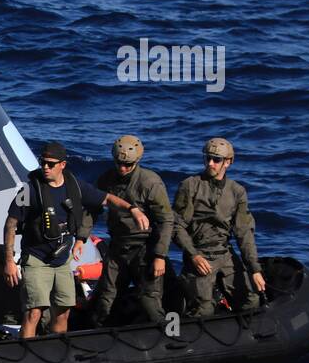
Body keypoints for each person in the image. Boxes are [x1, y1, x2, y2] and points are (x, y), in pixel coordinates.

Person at [3, 141, 147, 338]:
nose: (45, 167)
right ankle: (26, 350)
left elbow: (107, 199)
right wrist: (9, 260)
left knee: (63, 312)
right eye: (43, 162)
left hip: (62, 261)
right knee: (33, 313)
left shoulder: (75, 186)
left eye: (51, 164)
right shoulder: (30, 191)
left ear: (62, 165)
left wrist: (133, 209)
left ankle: (55, 350)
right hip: (37, 260)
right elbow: (11, 223)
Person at [172, 137, 266, 317]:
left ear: (228, 162)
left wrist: (255, 270)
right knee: (204, 311)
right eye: (207, 158)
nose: (210, 163)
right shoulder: (190, 186)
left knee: (251, 301)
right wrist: (194, 256)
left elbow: (244, 233)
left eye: (216, 160)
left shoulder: (237, 191)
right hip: (200, 255)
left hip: (225, 253)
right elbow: (177, 226)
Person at [91, 135, 174, 325]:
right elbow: (92, 209)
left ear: (136, 162)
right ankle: (102, 339)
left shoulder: (150, 183)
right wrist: (81, 236)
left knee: (149, 300)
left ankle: (170, 337)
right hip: (118, 247)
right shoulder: (105, 180)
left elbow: (166, 220)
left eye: (127, 165)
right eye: (119, 163)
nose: (122, 168)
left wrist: (160, 256)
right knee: (106, 299)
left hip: (145, 248)